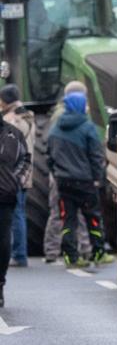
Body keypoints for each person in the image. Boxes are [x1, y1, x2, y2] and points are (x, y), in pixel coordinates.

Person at [47, 91, 113, 268]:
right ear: (79, 106)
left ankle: (71, 257)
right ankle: (98, 253)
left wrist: (57, 173)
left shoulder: (55, 129)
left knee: (67, 220)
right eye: (84, 104)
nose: (87, 107)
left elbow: (49, 158)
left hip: (63, 183)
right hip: (85, 183)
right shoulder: (87, 127)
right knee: (92, 218)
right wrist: (97, 179)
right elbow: (96, 156)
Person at [43, 81, 91, 263]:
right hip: (72, 172)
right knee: (78, 211)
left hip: (59, 172)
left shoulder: (58, 115)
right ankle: (84, 248)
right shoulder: (78, 115)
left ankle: (52, 250)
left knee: (58, 211)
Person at [0, 85, 35, 268]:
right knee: (18, 213)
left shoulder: (12, 120)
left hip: (11, 177)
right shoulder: (27, 115)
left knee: (14, 215)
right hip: (23, 173)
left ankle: (19, 254)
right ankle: (19, 252)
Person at [0, 113, 30, 306]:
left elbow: (25, 160)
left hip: (5, 196)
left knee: (2, 242)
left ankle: (0, 282)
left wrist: (16, 180)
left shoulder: (14, 134)